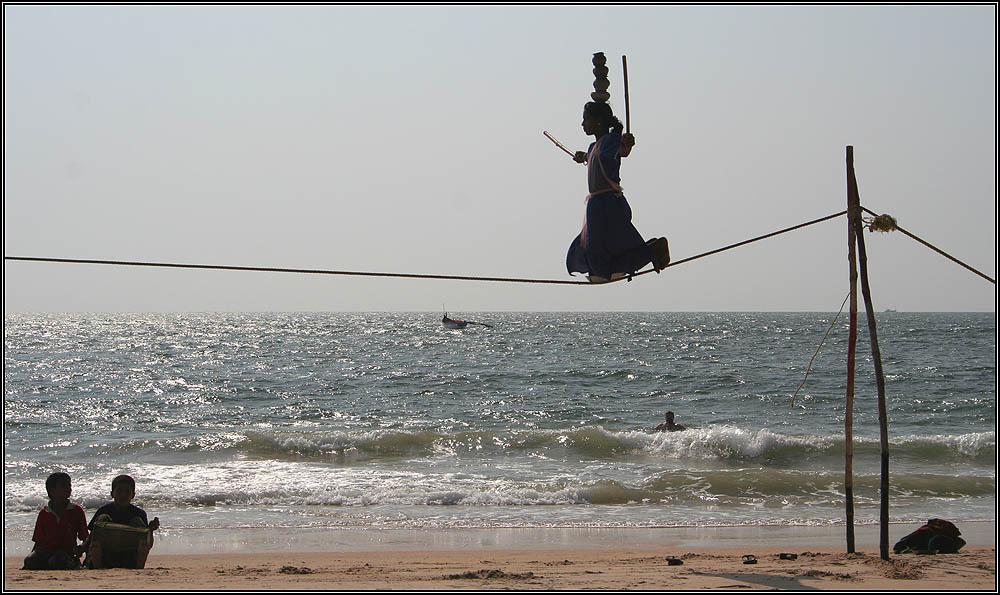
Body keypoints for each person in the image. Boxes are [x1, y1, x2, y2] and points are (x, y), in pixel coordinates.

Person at [565, 101, 669, 283]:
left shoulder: (611, 140)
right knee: (593, 250)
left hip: (608, 204)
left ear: (598, 121)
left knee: (600, 249)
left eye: (586, 119)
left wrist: (626, 144)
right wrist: (584, 157)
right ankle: (650, 250)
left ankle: (651, 251)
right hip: (597, 205)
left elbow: (620, 151)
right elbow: (593, 156)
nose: (583, 124)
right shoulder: (593, 146)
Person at [85, 474, 159, 569]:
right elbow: (92, 537)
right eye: (119, 491)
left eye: (127, 492)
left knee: (137, 522)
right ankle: (97, 568)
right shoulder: (103, 511)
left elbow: (146, 544)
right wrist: (82, 549)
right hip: (105, 556)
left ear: (133, 495)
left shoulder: (138, 513)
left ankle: (139, 568)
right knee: (102, 519)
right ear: (112, 494)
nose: (123, 495)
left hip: (128, 557)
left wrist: (150, 530)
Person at [23, 472, 89, 570]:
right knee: (30, 560)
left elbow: (85, 537)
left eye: (69, 485)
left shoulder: (76, 511)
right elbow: (38, 541)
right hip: (45, 551)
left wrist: (85, 555)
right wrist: (29, 560)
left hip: (66, 552)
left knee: (58, 560)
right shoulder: (44, 513)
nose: (68, 488)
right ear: (51, 490)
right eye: (63, 485)